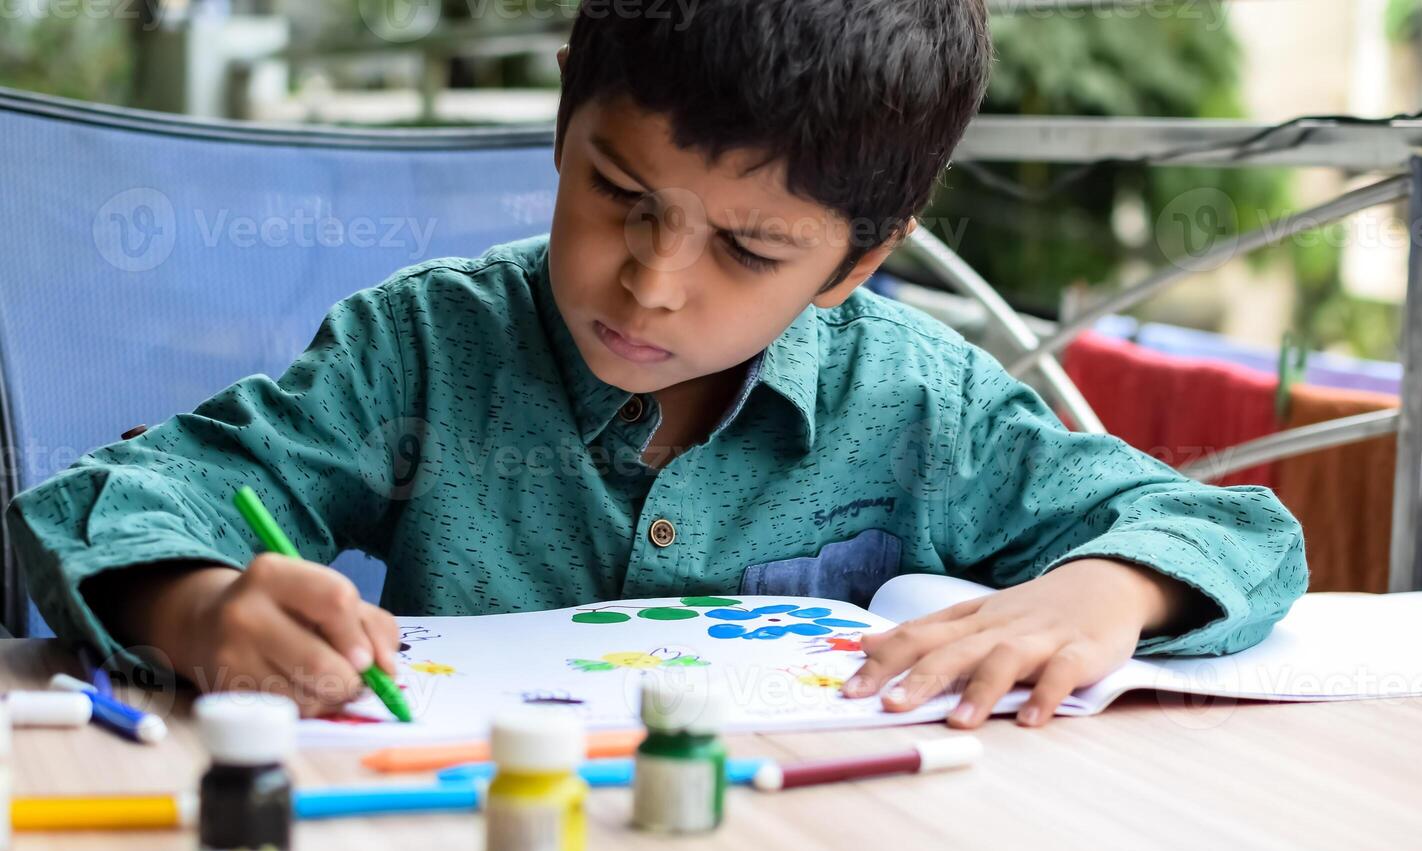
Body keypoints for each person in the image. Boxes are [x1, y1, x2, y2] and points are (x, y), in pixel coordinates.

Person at [6, 0, 1306, 726]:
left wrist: (1105, 592)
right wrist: (189, 606)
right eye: (621, 194)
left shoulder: (918, 401)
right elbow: (122, 497)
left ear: (856, 262)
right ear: (566, 112)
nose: (653, 281)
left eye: (747, 248)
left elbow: (1224, 529)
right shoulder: (418, 353)